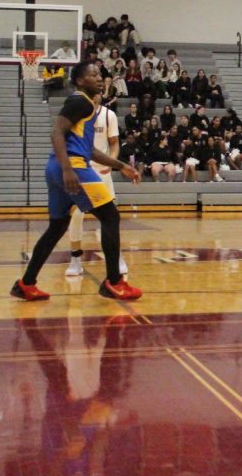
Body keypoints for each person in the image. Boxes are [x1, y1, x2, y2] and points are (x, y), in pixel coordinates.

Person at [10, 61, 143, 302]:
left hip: (59, 168)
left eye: (100, 74)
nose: (100, 78)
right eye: (93, 75)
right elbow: (56, 132)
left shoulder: (87, 107)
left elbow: (89, 150)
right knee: (110, 216)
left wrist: (121, 165)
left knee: (57, 227)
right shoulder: (79, 100)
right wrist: (68, 168)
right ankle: (114, 282)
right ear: (80, 81)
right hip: (72, 167)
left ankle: (26, 283)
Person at [64, 95, 128, 278]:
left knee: (110, 218)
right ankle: (75, 259)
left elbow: (114, 143)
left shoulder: (109, 115)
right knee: (76, 215)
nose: (95, 94)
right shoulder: (76, 115)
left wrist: (112, 161)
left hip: (102, 173)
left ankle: (117, 257)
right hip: (80, 170)